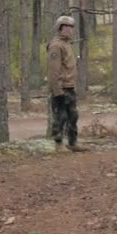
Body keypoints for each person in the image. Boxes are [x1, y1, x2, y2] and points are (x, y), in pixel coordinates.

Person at [47, 15, 88, 153]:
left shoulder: (67, 44)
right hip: (61, 87)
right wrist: (57, 91)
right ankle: (58, 144)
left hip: (70, 86)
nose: (71, 30)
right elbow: (54, 71)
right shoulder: (56, 45)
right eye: (67, 27)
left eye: (72, 27)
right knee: (61, 116)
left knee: (73, 115)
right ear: (60, 28)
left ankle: (72, 142)